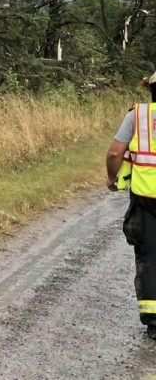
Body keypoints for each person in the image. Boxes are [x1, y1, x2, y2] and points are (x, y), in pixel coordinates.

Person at [108, 69, 156, 339]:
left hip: (147, 199)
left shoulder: (137, 116)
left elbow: (115, 152)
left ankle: (155, 322)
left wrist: (111, 178)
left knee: (150, 257)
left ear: (149, 89)